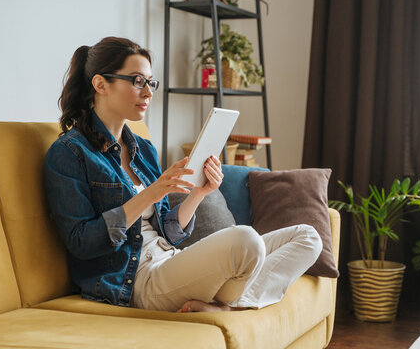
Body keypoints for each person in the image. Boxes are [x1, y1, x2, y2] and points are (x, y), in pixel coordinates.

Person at [44, 36, 322, 313]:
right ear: (100, 84)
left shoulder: (142, 148)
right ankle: (230, 306)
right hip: (136, 281)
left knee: (308, 237)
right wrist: (151, 194)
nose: (148, 92)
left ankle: (228, 307)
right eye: (137, 80)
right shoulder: (70, 153)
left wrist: (199, 193)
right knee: (246, 241)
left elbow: (170, 233)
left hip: (171, 261)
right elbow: (81, 242)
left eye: (150, 82)